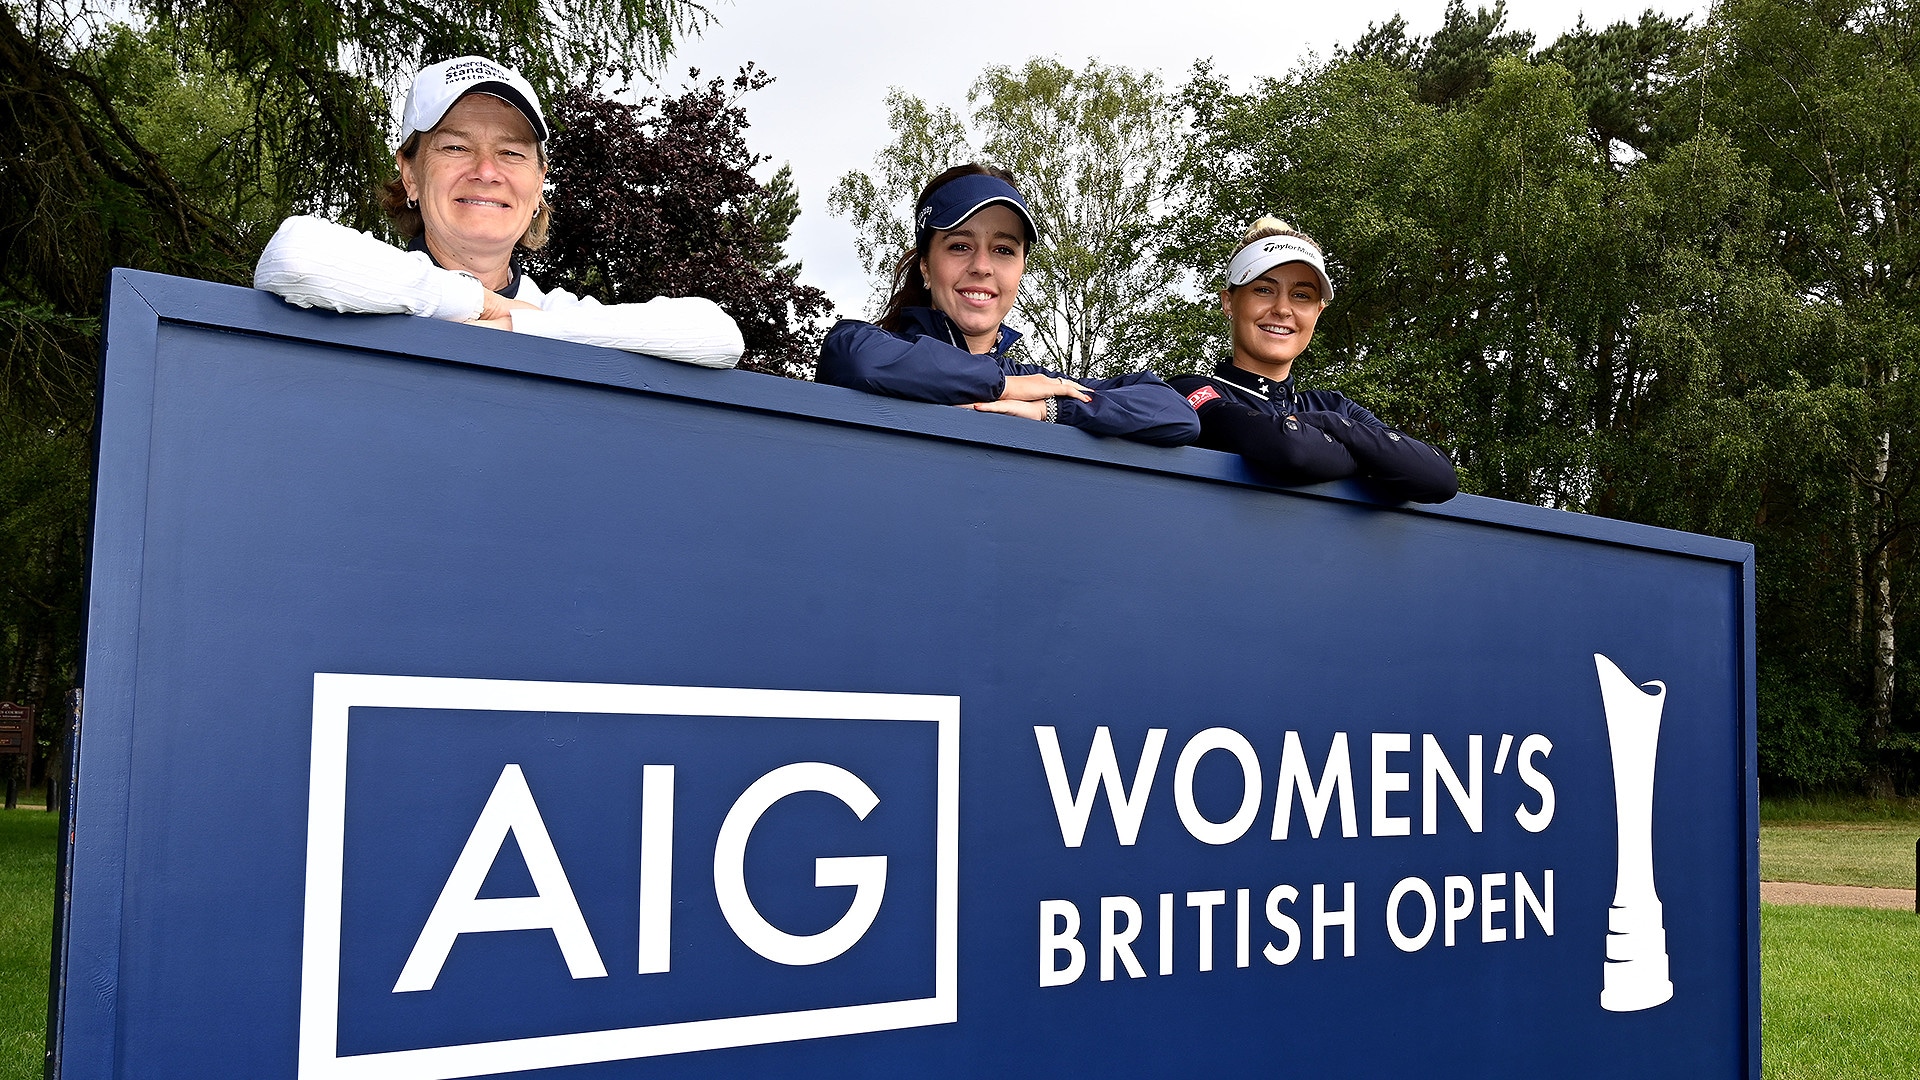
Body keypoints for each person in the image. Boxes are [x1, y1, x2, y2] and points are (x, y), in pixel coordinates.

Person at [254, 56, 743, 369]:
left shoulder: (552, 312)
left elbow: (716, 336)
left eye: (511, 153)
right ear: (411, 175)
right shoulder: (366, 286)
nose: (487, 172)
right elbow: (295, 258)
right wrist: (478, 303)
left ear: (538, 183)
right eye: (456, 147)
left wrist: (520, 324)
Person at [816, 165, 1199, 446]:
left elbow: (1175, 413)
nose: (982, 266)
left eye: (1003, 250)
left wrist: (1053, 410)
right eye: (960, 245)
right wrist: (1002, 386)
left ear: (1021, 269)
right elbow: (854, 358)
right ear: (926, 267)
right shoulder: (869, 348)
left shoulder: (1041, 387)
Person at [1167, 219, 1457, 502]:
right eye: (1264, 290)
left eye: (1301, 295)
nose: (1283, 309)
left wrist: (1328, 423)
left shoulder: (1334, 407)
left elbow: (1437, 478)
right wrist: (1373, 458)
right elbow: (1291, 450)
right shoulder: (1187, 391)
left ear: (1318, 312)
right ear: (1228, 302)